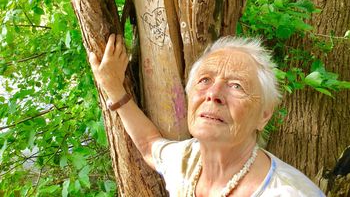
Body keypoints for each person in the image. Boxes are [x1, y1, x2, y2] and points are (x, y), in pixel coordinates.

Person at [89, 34, 325, 197]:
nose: (213, 94)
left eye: (236, 86)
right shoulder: (187, 161)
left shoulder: (288, 192)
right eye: (204, 80)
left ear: (264, 115)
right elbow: (150, 146)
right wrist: (113, 88)